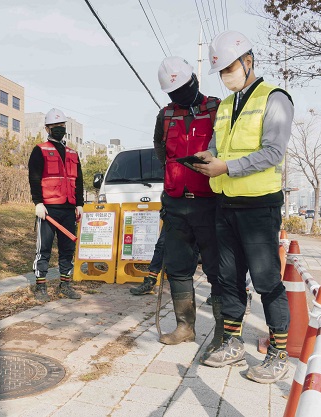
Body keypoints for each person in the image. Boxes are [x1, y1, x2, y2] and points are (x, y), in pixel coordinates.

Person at [194, 30, 294, 384]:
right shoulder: (224, 106)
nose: (225, 76)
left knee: (267, 281)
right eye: (220, 71)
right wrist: (207, 158)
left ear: (248, 62)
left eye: (229, 68)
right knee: (228, 278)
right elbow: (217, 147)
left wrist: (227, 167)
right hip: (226, 203)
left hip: (258, 207)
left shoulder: (275, 98)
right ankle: (233, 342)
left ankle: (279, 353)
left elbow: (272, 152)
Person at [144, 56, 224, 350]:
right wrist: (173, 171)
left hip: (210, 202)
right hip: (176, 202)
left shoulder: (216, 109)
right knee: (178, 267)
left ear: (195, 81)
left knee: (218, 269)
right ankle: (185, 327)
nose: (179, 96)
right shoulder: (165, 115)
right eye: (173, 92)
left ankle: (223, 331)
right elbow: (158, 146)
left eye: (183, 88)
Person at [28, 108, 84, 302]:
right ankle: (40, 286)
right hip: (48, 210)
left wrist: (79, 204)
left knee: (67, 249)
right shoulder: (40, 150)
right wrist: (38, 203)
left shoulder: (73, 153)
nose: (58, 129)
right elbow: (34, 178)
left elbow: (79, 181)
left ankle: (65, 285)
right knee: (43, 249)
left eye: (61, 126)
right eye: (55, 126)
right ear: (47, 128)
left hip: (69, 209)